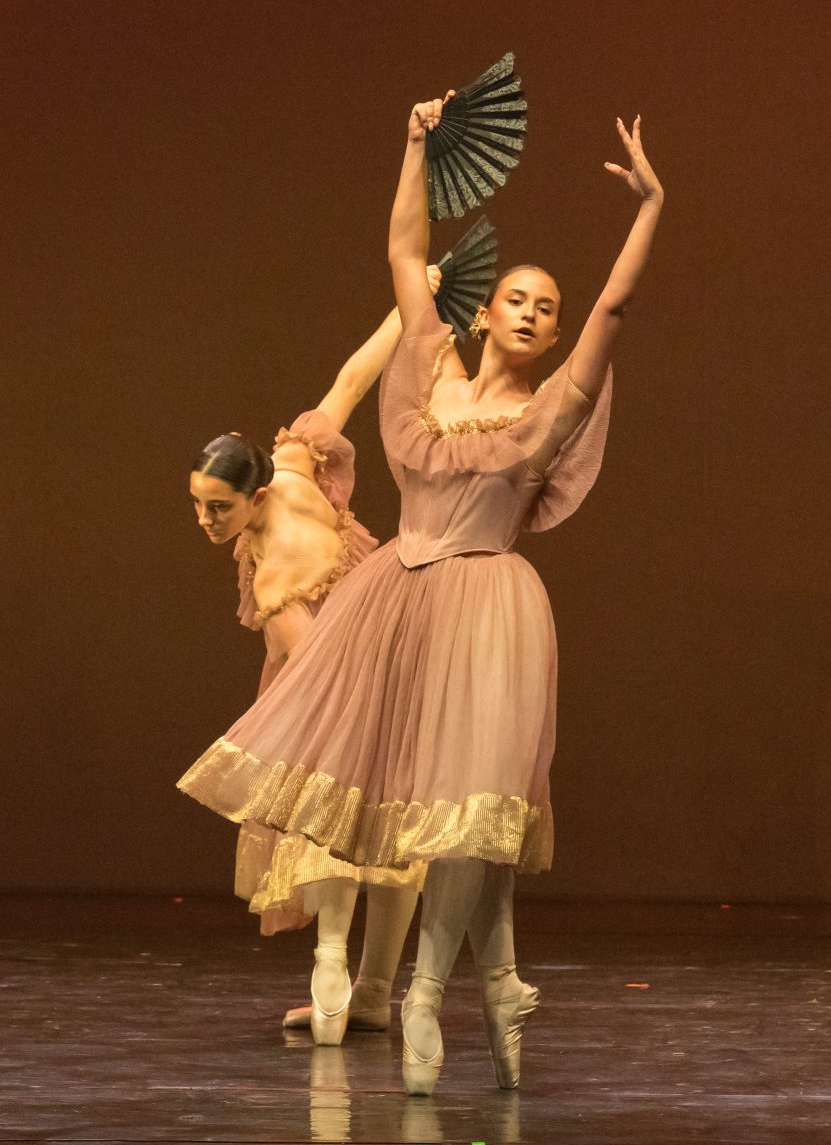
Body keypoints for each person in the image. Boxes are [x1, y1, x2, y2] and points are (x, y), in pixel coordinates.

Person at [178, 98, 663, 1093]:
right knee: (409, 805)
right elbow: (404, 252)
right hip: (396, 597)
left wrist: (651, 207)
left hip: (486, 607)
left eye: (546, 308)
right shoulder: (428, 374)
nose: (529, 313)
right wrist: (412, 146)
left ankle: (425, 994)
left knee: (472, 812)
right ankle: (492, 983)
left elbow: (613, 313)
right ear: (484, 311)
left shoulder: (548, 409)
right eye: (516, 298)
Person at [188, 277, 439, 1044]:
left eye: (218, 508)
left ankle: (334, 973)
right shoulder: (295, 460)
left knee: (330, 811)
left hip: (343, 674)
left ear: (256, 496)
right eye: (197, 503)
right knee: (392, 824)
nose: (204, 520)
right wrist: (412, 302)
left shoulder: (273, 575)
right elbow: (351, 378)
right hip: (391, 650)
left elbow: (317, 670)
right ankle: (366, 991)